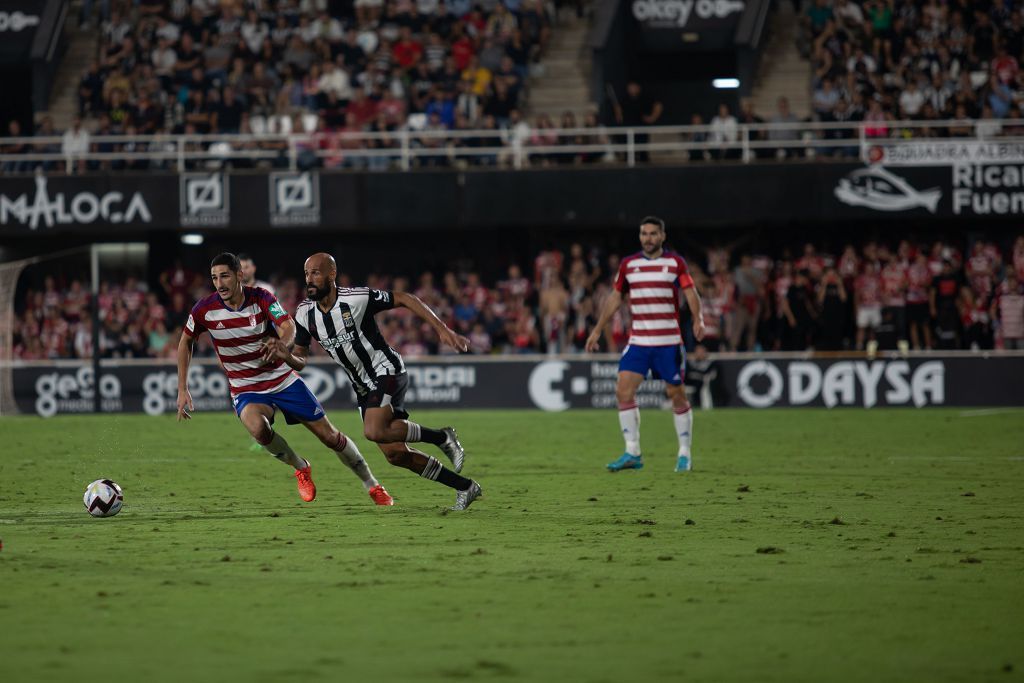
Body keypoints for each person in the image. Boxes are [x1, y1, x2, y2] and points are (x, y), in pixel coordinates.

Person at [267, 252, 483, 511]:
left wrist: (442, 329)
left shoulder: (356, 299)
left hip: (386, 369)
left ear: (331, 275)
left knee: (373, 431)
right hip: (361, 386)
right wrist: (286, 357)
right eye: (306, 274)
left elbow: (405, 298)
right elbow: (301, 358)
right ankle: (465, 487)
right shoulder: (304, 314)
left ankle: (441, 436)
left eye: (315, 273)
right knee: (395, 455)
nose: (309, 279)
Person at [176, 252, 393, 506]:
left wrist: (281, 344)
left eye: (224, 276)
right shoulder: (204, 309)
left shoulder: (261, 297)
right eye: (214, 278)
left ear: (239, 275)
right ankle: (301, 467)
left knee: (330, 437)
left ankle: (372, 484)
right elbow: (185, 341)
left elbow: (288, 326)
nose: (219, 283)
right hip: (246, 388)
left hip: (282, 379)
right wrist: (183, 388)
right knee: (258, 429)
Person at [585, 216, 705, 473]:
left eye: (653, 233)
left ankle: (684, 453)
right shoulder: (629, 265)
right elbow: (614, 298)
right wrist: (597, 330)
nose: (648, 238)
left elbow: (690, 293)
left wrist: (699, 319)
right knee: (623, 391)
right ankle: (633, 452)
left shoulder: (675, 263)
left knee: (677, 395)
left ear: (662, 236)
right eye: (643, 233)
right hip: (639, 341)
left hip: (668, 342)